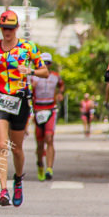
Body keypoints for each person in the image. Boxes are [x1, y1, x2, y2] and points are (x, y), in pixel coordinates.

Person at [0, 10, 48, 207]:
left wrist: (30, 71)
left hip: (19, 100)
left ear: (16, 28)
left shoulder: (28, 48)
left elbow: (45, 71)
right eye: (4, 28)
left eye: (10, 28)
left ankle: (18, 180)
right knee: (2, 145)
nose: (7, 32)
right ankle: (3, 190)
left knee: (17, 149)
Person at [29, 53, 64, 181]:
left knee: (49, 138)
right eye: (44, 63)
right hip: (38, 110)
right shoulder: (33, 78)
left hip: (51, 109)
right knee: (39, 143)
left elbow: (62, 85)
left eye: (48, 63)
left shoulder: (55, 76)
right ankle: (40, 164)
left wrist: (60, 94)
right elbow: (29, 95)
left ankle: (49, 168)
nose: (46, 65)